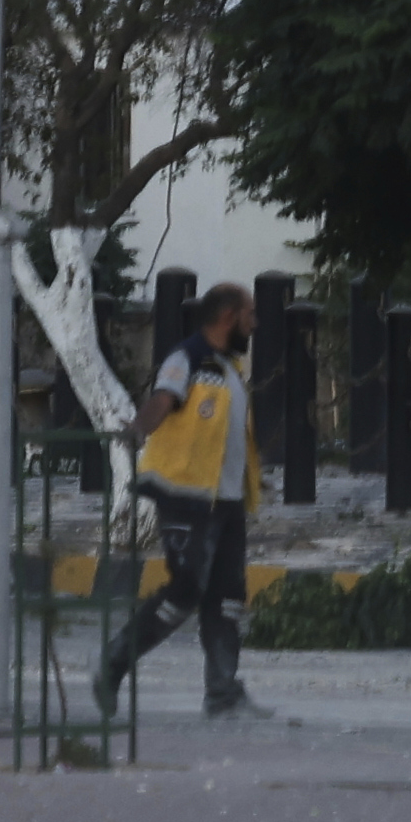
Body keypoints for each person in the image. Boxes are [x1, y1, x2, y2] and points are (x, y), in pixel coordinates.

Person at [99, 285, 262, 719]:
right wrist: (137, 429)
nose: (255, 322)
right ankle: (113, 663)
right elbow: (163, 400)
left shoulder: (231, 365)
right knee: (184, 593)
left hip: (226, 502)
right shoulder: (186, 358)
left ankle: (223, 695)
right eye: (250, 313)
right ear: (228, 315)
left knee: (227, 599)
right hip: (185, 498)